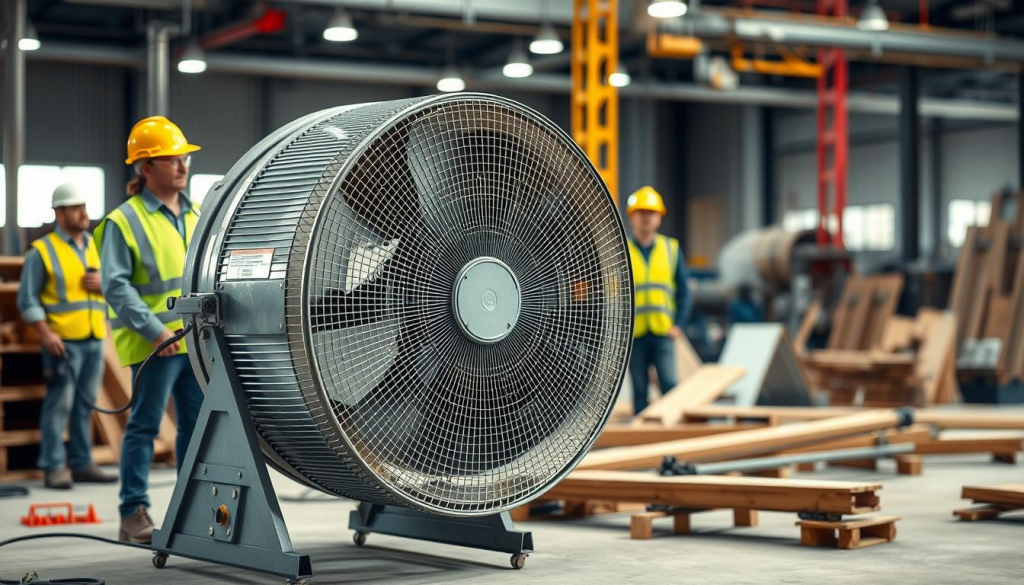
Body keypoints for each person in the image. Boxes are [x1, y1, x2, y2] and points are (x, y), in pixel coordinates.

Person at [95, 115, 203, 544]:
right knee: (144, 427)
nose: (182, 166)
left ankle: (191, 509)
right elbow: (116, 287)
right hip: (154, 345)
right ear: (145, 168)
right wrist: (155, 332)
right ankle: (132, 513)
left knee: (198, 427)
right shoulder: (123, 221)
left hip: (195, 343)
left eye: (184, 159)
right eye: (171, 159)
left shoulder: (197, 214)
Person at [17, 184, 118, 490]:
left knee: (85, 406)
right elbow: (27, 299)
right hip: (62, 342)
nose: (84, 213)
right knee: (59, 405)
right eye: (76, 207)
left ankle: (82, 464)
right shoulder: (42, 251)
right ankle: (53, 467)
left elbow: (115, 286)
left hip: (93, 337)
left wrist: (104, 283)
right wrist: (46, 334)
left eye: (84, 206)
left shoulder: (96, 246)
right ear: (59, 213)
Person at [626, 186, 692, 414]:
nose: (646, 217)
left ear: (659, 218)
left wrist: (679, 325)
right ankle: (642, 441)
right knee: (639, 391)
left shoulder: (670, 248)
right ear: (632, 216)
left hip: (663, 332)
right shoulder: (621, 251)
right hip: (634, 335)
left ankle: (669, 441)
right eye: (641, 212)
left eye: (651, 212)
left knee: (669, 386)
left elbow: (684, 291)